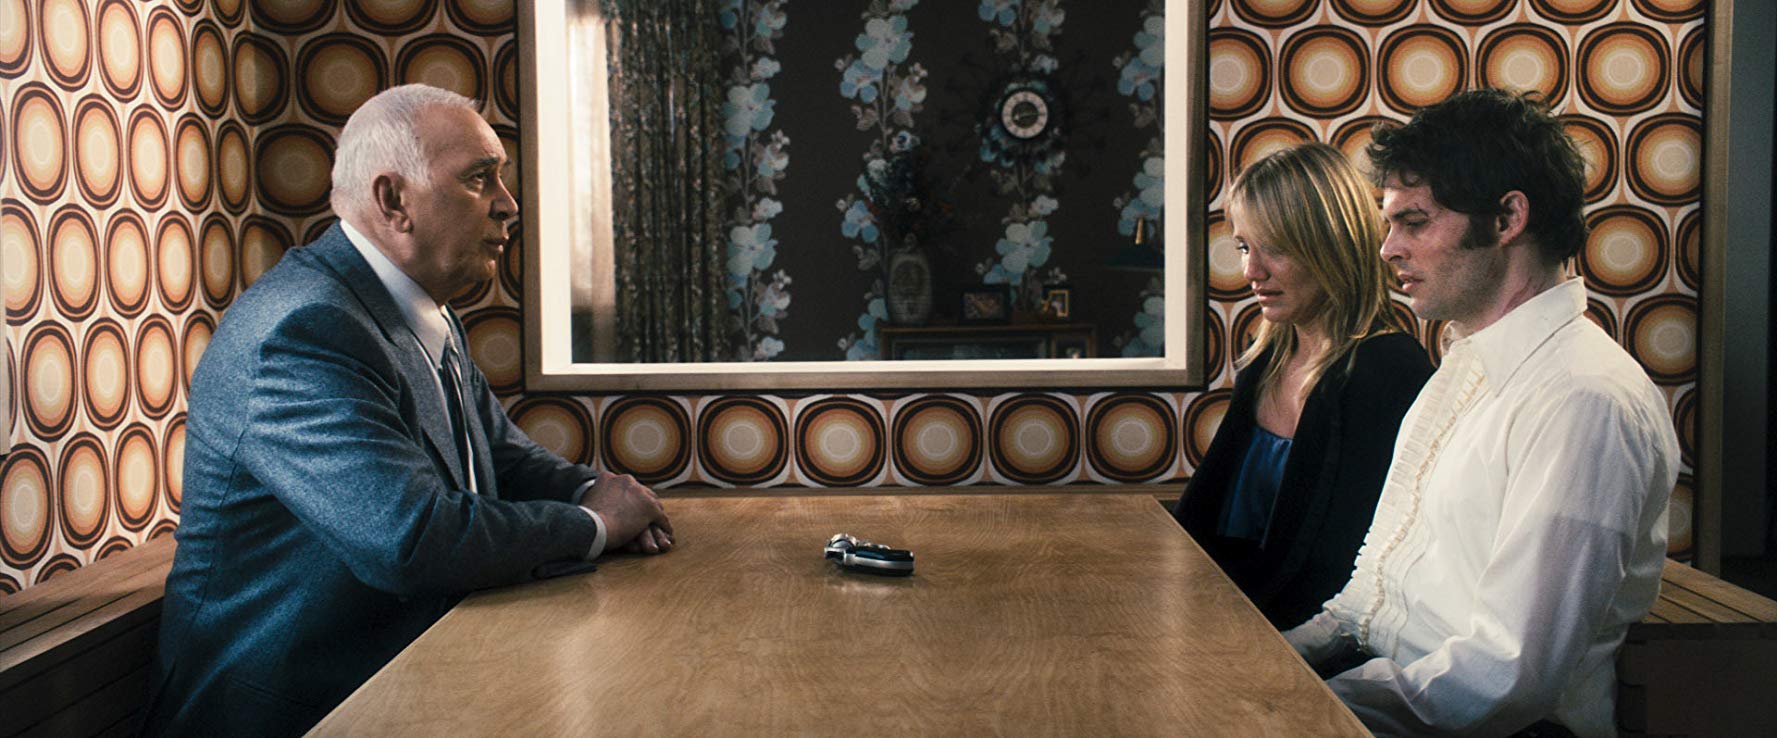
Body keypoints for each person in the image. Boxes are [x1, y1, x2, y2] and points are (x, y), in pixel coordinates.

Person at [145, 84, 676, 737]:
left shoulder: (416, 307)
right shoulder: (303, 328)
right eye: (480, 179)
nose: (508, 204)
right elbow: (410, 539)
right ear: (393, 201)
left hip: (412, 683)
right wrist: (596, 524)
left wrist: (598, 491)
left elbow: (502, 457)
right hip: (297, 712)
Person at [1283, 89, 1680, 738]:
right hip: (1392, 696)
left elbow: (1504, 678)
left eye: (1414, 222)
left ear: (1507, 218)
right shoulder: (1462, 367)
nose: (1387, 249)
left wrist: (1297, 708)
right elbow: (1368, 598)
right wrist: (1273, 659)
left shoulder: (1584, 399)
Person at [1172, 143, 1432, 628]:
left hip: (1302, 642)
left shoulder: (1387, 370)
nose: (1251, 272)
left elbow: (1340, 572)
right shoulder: (1265, 361)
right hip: (1219, 619)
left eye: (1275, 248)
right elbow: (1201, 521)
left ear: (1332, 245)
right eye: (1245, 247)